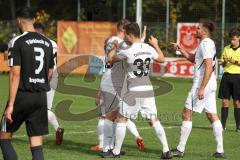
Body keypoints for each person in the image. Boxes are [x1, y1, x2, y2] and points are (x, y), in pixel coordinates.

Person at [102, 22, 172, 159]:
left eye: (126, 35)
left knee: (121, 118)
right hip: (147, 87)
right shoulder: (148, 48)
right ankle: (166, 150)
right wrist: (156, 44)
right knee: (153, 119)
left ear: (128, 34)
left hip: (133, 88)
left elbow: (110, 60)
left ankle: (115, 152)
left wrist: (115, 48)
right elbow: (162, 59)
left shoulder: (127, 50)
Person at [0, 6, 54, 160]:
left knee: (4, 136)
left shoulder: (17, 41)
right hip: (40, 96)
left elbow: (15, 74)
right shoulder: (47, 43)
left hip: (22, 95)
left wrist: (10, 105)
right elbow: (50, 72)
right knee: (36, 143)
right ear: (34, 20)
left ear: (18, 21)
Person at [170, 21, 224, 158]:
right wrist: (180, 49)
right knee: (212, 115)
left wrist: (201, 88)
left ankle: (180, 149)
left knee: (186, 113)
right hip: (210, 84)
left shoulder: (206, 44)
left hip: (202, 84)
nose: (196, 29)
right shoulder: (206, 43)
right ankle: (220, 150)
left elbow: (208, 66)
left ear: (205, 31)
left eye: (198, 28)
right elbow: (194, 58)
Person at [92, 20, 145, 152]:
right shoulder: (119, 42)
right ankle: (111, 146)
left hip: (111, 80)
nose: (128, 35)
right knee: (115, 116)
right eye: (127, 31)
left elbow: (109, 61)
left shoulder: (114, 41)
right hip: (114, 81)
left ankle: (106, 146)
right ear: (123, 30)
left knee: (109, 116)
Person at [34, 22, 64, 145]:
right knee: (45, 107)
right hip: (54, 75)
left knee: (39, 108)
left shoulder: (40, 43)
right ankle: (57, 129)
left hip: (46, 76)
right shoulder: (53, 43)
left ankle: (38, 136)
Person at [218, 28, 240, 132]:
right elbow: (222, 64)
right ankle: (223, 126)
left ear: (239, 38)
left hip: (238, 77)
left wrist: (234, 61)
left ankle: (238, 127)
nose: (232, 41)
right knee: (225, 101)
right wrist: (224, 62)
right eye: (231, 39)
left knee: (237, 102)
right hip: (226, 76)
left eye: (234, 39)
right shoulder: (226, 48)